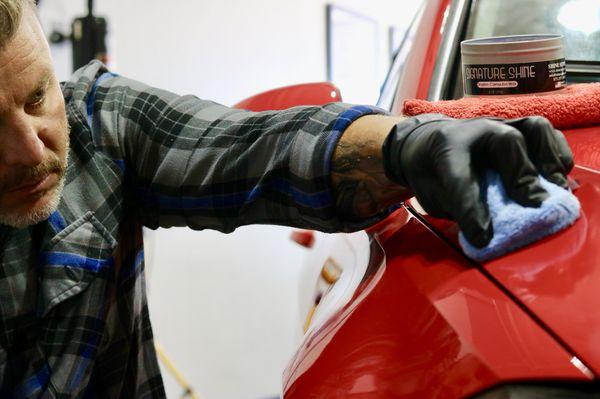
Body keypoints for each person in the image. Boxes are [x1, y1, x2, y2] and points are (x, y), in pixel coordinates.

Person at [0, 1, 573, 397]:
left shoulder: (99, 123)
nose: (30, 151)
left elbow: (256, 144)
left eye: (37, 98)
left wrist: (405, 145)